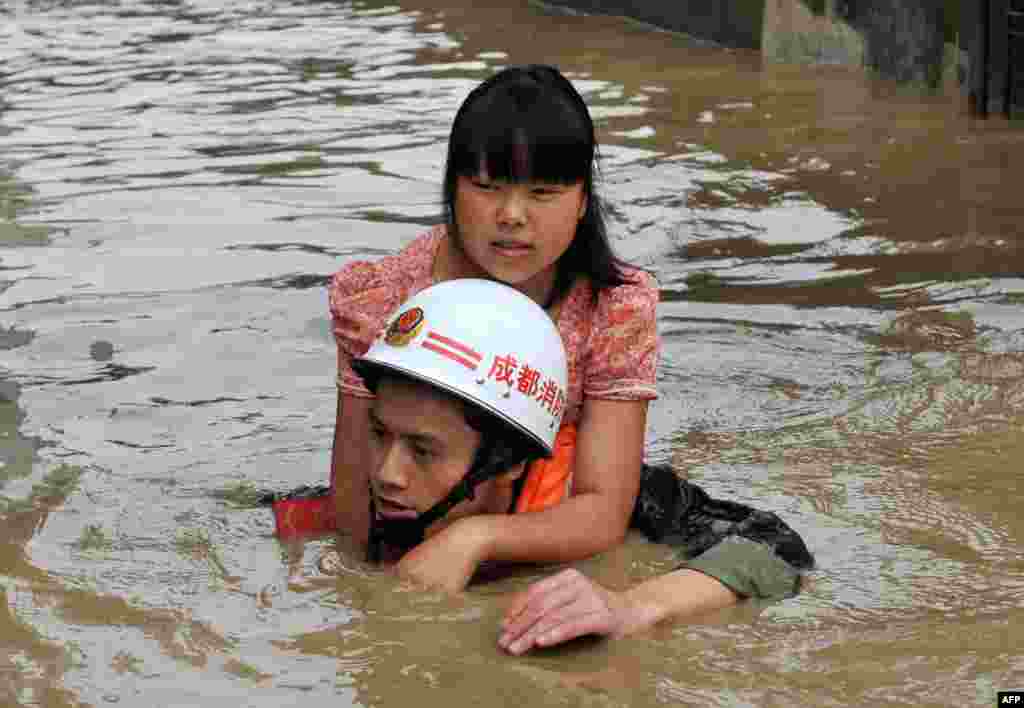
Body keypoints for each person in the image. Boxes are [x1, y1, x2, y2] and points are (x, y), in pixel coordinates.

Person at [275, 64, 661, 593]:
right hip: (415, 505)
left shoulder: (613, 308)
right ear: (453, 190)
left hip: (536, 520)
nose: (512, 215)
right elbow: (354, 500)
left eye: (543, 193)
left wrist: (474, 539)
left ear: (583, 203)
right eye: (486, 186)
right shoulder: (386, 302)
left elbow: (603, 510)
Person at [267, 278, 814, 646]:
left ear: (507, 462)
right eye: (380, 434)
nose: (387, 471)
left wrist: (630, 607)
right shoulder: (359, 501)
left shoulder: (609, 499)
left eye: (424, 450)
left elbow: (779, 546)